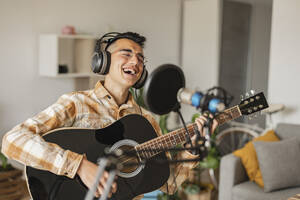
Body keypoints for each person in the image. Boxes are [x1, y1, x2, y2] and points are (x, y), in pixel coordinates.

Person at [1, 32, 218, 199]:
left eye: (141, 58)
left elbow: (168, 184)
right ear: (102, 61)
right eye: (127, 54)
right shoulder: (76, 103)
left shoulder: (147, 122)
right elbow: (12, 141)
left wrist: (192, 150)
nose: (136, 62)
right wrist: (78, 166)